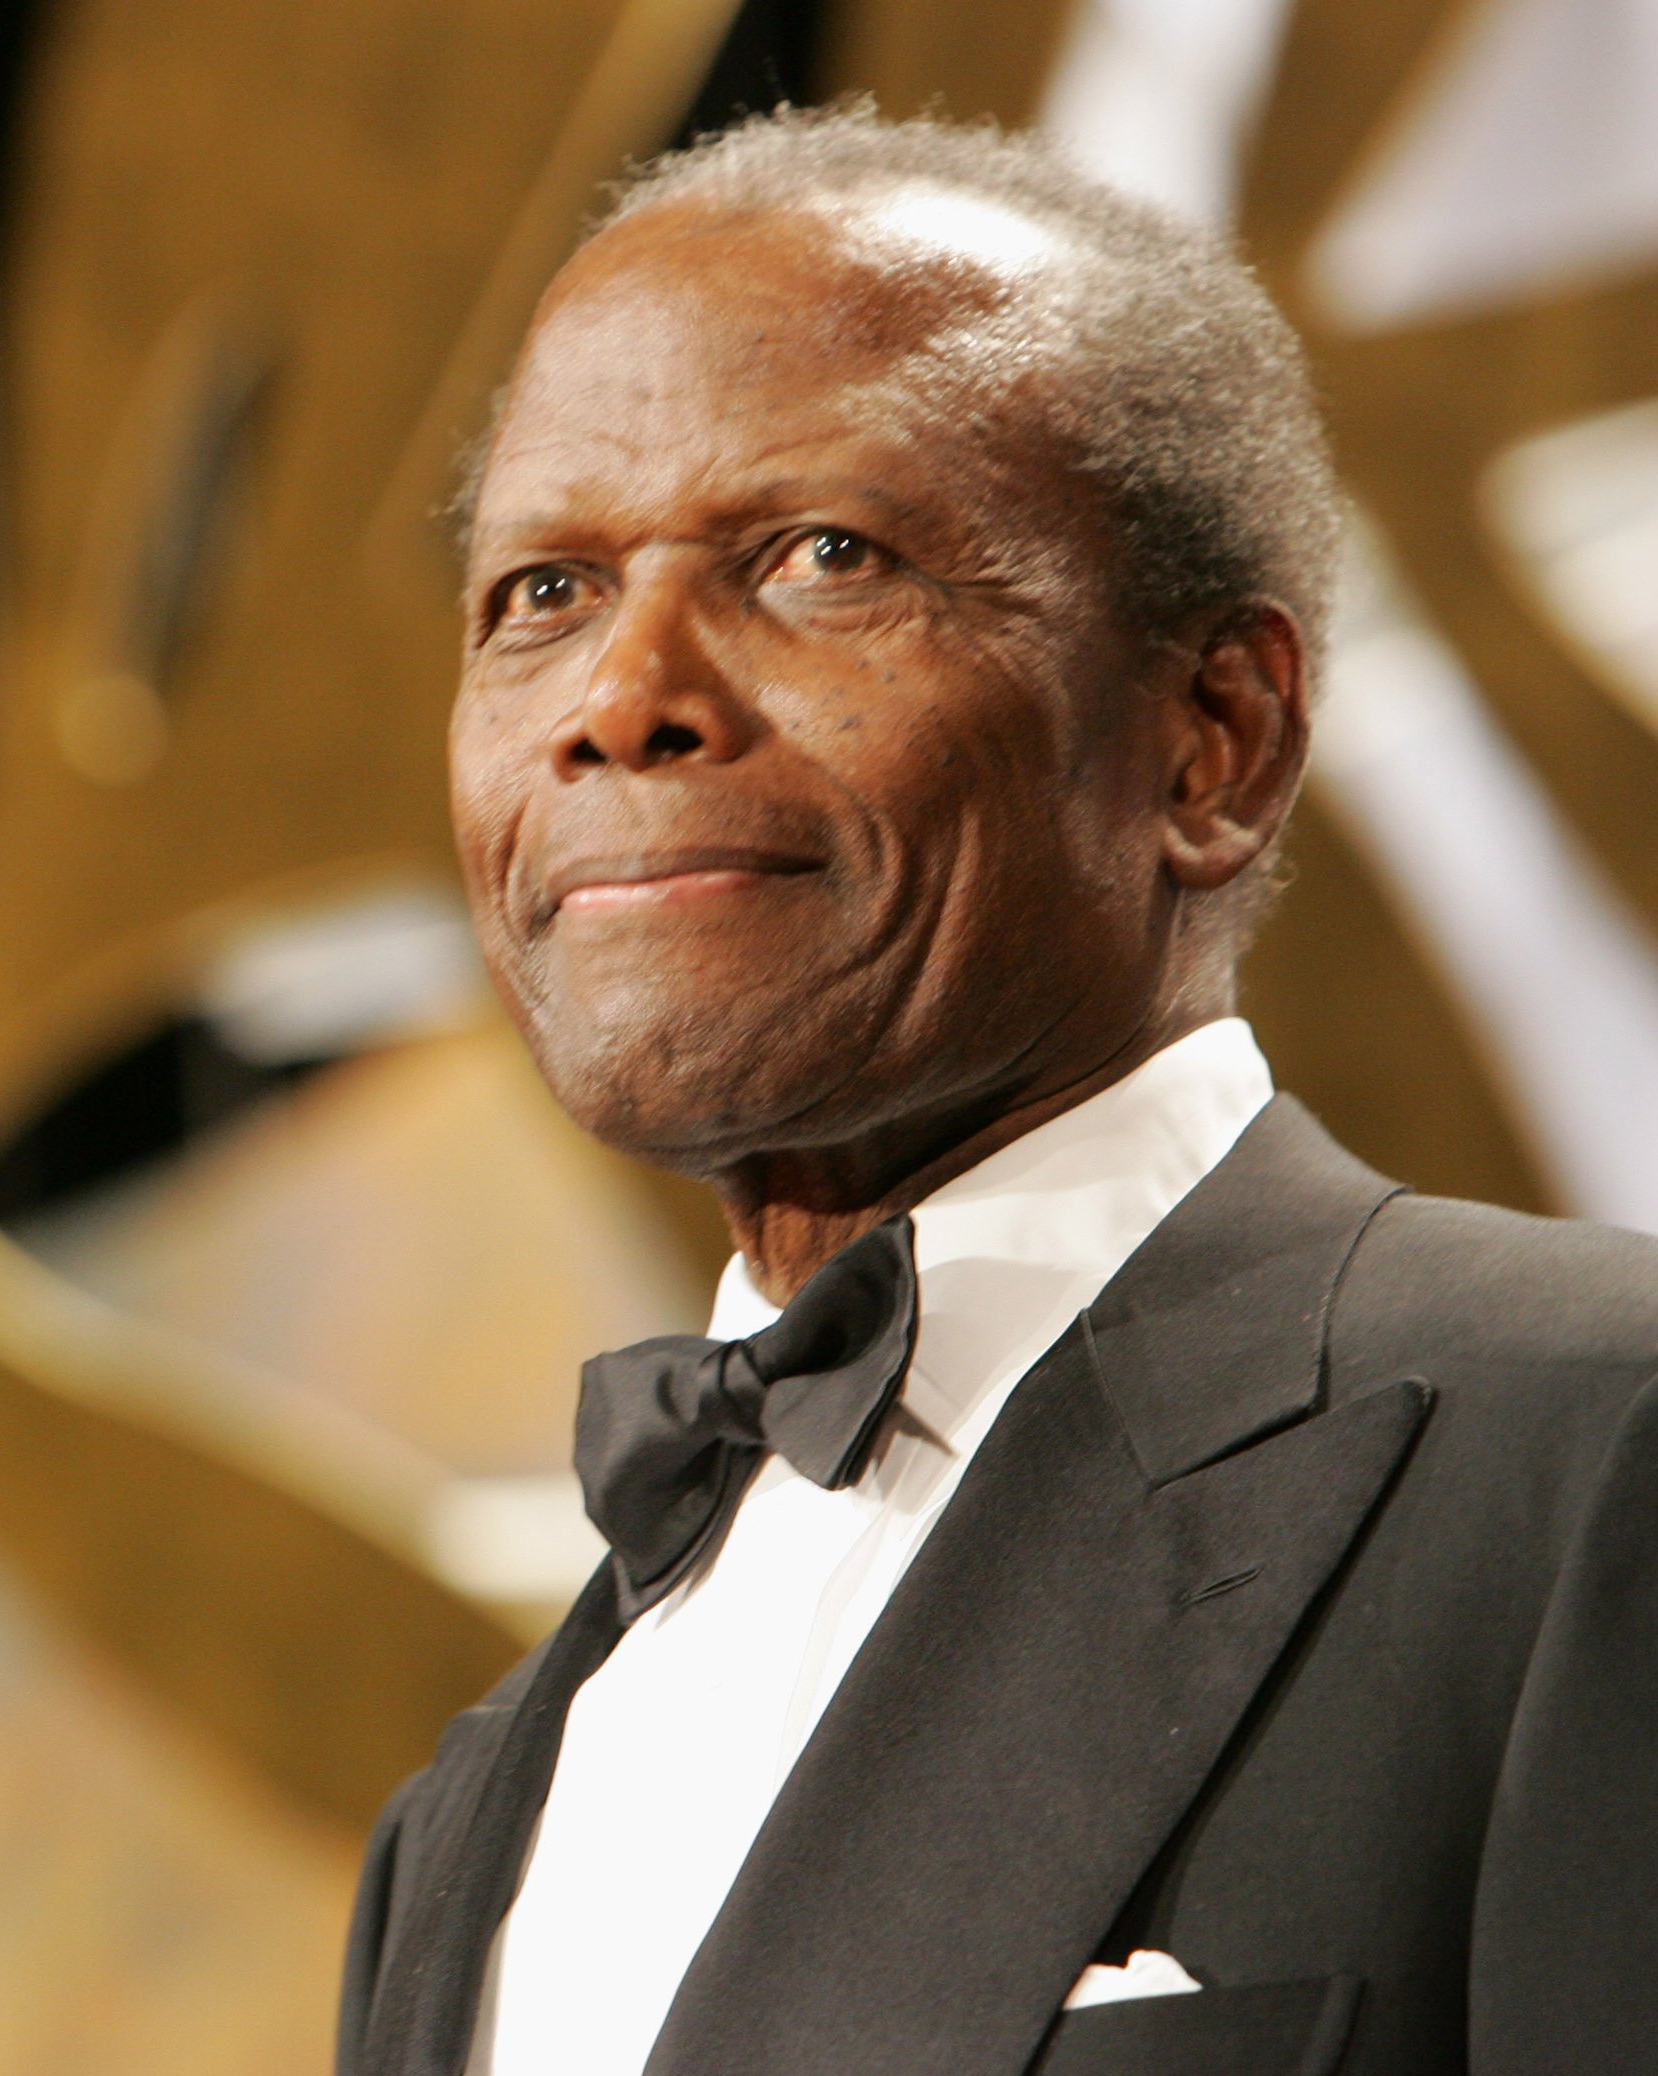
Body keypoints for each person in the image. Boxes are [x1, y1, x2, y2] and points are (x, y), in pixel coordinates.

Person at [337, 107, 1656, 2076]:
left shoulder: (1587, 1456)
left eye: (817, 556)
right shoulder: (467, 1818)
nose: (625, 696)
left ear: (1214, 739)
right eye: (542, 592)